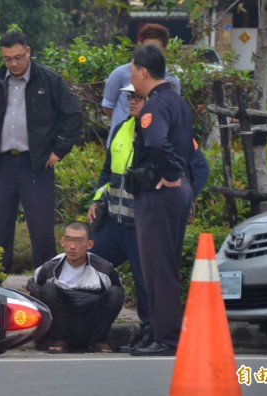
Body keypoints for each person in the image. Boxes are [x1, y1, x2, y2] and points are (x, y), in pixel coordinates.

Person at [0, 32, 83, 272]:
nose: (13, 64)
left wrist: (58, 150)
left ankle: (45, 287)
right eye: (7, 59)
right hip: (2, 165)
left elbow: (74, 115)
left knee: (41, 232)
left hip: (36, 165)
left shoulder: (49, 80)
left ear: (28, 51)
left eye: (18, 57)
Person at [126, 45, 194, 356]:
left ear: (142, 72)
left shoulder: (155, 106)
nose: (132, 78)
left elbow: (156, 141)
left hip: (159, 193)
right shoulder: (177, 101)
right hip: (171, 194)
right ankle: (156, 332)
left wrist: (170, 172)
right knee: (159, 265)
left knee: (158, 267)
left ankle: (166, 338)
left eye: (131, 72)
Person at [86, 83, 150, 350]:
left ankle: (150, 335)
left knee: (145, 283)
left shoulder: (158, 130)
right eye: (129, 97)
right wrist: (97, 199)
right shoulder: (123, 127)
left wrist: (186, 202)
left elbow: (195, 169)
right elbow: (107, 173)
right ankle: (91, 334)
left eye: (137, 97)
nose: (131, 101)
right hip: (114, 223)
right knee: (88, 270)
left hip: (141, 226)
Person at [30, 221, 124, 353]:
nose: (72, 247)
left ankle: (98, 341)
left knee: (116, 293)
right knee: (48, 290)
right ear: (62, 242)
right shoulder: (48, 269)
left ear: (89, 244)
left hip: (91, 318)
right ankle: (60, 339)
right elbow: (36, 296)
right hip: (63, 319)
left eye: (79, 241)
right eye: (68, 240)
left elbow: (116, 297)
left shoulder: (105, 269)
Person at [101, 23, 180, 148]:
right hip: (121, 145)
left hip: (152, 144)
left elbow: (173, 112)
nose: (151, 54)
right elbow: (108, 107)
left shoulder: (172, 80)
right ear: (140, 47)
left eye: (156, 50)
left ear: (165, 50)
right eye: (147, 48)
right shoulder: (120, 73)